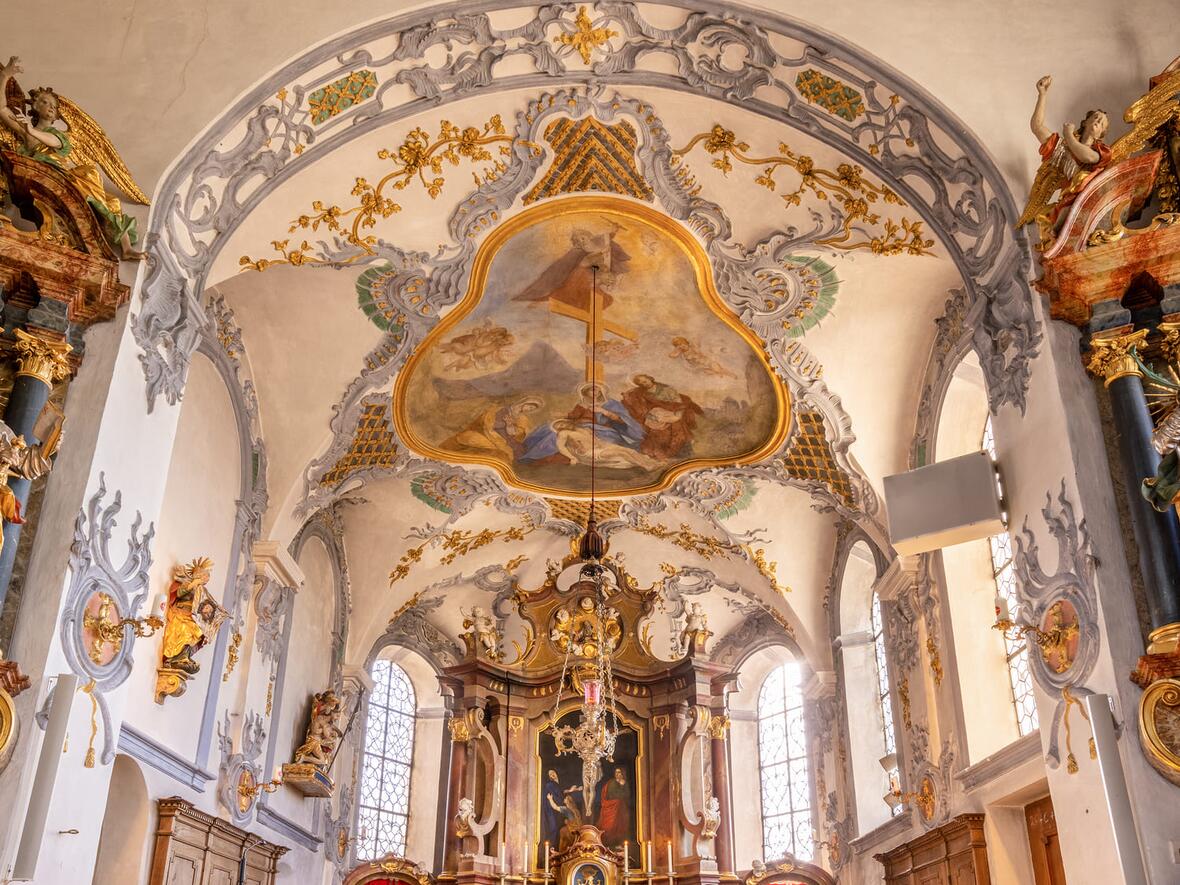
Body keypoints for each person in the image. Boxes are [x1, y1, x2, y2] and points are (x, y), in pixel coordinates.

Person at [0, 57, 144, 258]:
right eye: (43, 102)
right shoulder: (26, 131)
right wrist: (6, 75)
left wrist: (30, 130)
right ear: (34, 107)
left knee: (107, 202)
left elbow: (53, 142)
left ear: (57, 114)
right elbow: (2, 109)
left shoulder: (57, 135)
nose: (49, 106)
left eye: (52, 104)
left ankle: (126, 248)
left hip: (66, 176)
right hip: (40, 178)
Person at [1018, 74, 1111, 230]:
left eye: (1101, 123)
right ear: (1085, 122)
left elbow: (1086, 157)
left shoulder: (1102, 152)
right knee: (1054, 219)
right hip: (1068, 203)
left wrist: (1068, 135)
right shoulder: (1063, 150)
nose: (1097, 121)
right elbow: (1037, 127)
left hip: (1085, 201)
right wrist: (1042, 94)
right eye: (1095, 117)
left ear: (1101, 134)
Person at [621, 374, 703, 460]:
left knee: (677, 428)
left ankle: (683, 453)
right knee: (655, 431)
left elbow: (678, 404)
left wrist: (675, 415)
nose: (644, 384)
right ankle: (665, 453)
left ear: (650, 379)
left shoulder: (667, 389)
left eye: (645, 381)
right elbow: (632, 397)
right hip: (657, 417)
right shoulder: (642, 393)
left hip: (673, 413)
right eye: (641, 383)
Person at [443, 397, 542, 460]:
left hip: (504, 440)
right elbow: (485, 420)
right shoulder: (499, 409)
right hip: (485, 432)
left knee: (503, 454)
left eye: (532, 409)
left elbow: (518, 433)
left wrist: (509, 426)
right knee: (467, 438)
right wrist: (493, 427)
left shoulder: (523, 418)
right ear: (524, 402)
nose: (529, 409)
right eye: (530, 406)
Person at [595, 767, 631, 850]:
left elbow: (627, 795)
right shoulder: (612, 783)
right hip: (612, 808)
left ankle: (618, 844)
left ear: (623, 774)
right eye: (616, 772)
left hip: (621, 809)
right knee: (610, 826)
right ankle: (607, 844)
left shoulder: (625, 783)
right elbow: (612, 796)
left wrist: (623, 786)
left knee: (621, 826)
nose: (618, 774)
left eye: (619, 772)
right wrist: (621, 789)